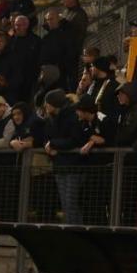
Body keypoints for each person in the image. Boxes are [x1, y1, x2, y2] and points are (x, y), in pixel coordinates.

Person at [43, 89, 86, 224]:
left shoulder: (72, 117)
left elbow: (75, 140)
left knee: (70, 202)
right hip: (59, 166)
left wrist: (54, 144)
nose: (46, 106)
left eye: (48, 103)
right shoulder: (50, 119)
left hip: (73, 166)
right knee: (65, 204)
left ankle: (76, 232)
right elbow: (46, 137)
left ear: (54, 104)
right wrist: (48, 146)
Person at [114, 82, 137, 147]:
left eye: (121, 93)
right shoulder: (127, 110)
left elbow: (129, 133)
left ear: (130, 94)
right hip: (129, 151)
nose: (118, 96)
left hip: (134, 152)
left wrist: (114, 139)